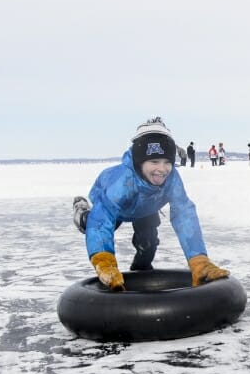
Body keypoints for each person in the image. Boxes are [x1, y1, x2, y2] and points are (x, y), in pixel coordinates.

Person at [71, 117, 230, 292]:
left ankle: (140, 273)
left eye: (167, 162)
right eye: (154, 162)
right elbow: (102, 222)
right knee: (91, 225)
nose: (162, 169)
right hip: (117, 208)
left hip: (147, 207)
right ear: (140, 162)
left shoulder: (172, 178)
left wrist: (199, 260)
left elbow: (184, 213)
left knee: (148, 244)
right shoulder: (121, 182)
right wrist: (104, 261)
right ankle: (81, 210)